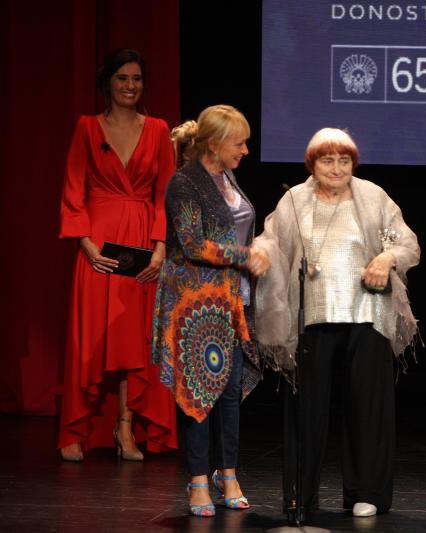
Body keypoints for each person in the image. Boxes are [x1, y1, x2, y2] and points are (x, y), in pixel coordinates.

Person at [253, 127, 420, 519]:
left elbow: (408, 243)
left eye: (344, 160)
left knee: (369, 406)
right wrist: (259, 252)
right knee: (305, 407)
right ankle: (301, 494)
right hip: (313, 315)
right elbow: (270, 240)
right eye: (327, 160)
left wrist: (387, 258)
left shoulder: (373, 196)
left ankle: (368, 492)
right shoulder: (295, 199)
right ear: (312, 164)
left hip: (368, 314)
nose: (336, 168)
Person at [58, 48, 178, 462]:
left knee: (136, 341)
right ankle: (75, 426)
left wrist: (161, 247)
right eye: (123, 78)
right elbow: (74, 189)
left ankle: (125, 427)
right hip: (97, 245)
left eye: (137, 79)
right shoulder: (87, 128)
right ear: (107, 83)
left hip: (143, 244)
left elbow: (165, 193)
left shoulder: (160, 129)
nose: (131, 86)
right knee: (90, 339)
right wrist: (86, 244)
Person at [152, 104, 271, 517]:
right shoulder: (185, 183)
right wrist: (245, 256)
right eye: (240, 143)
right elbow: (192, 244)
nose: (246, 150)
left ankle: (228, 474)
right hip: (197, 305)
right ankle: (199, 479)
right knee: (199, 394)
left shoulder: (227, 177)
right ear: (216, 144)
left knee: (230, 394)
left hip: (233, 300)